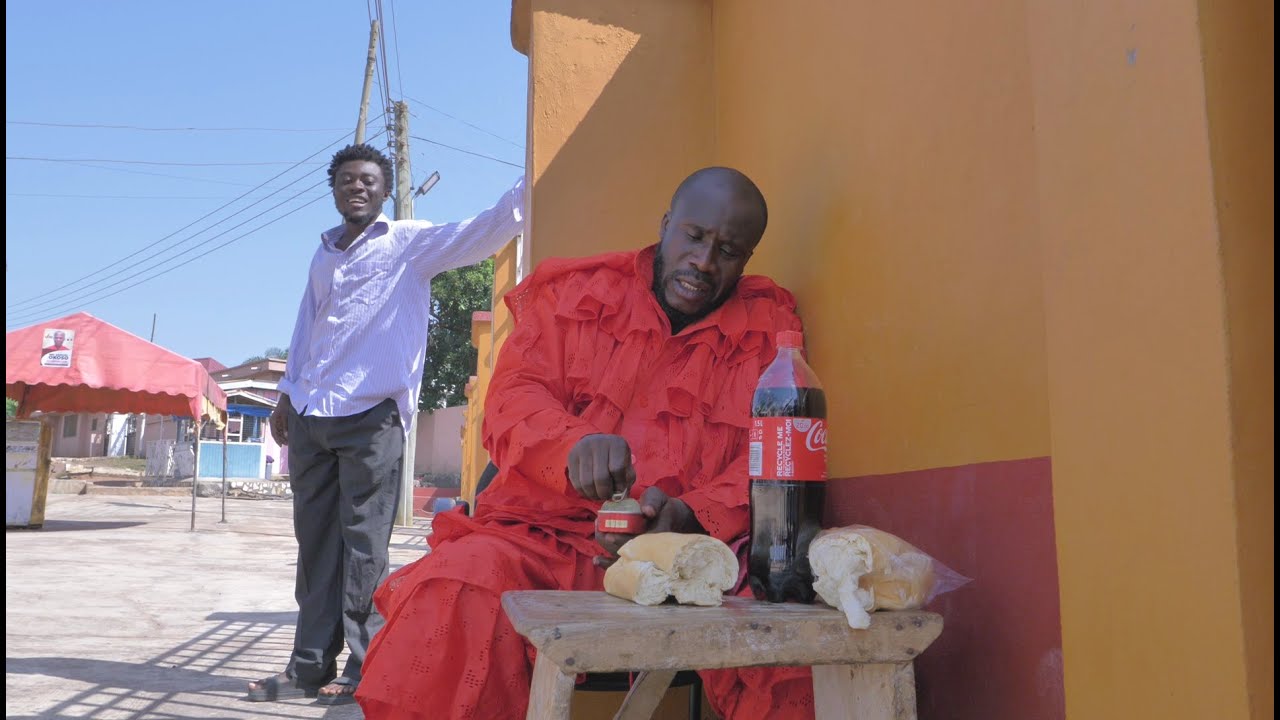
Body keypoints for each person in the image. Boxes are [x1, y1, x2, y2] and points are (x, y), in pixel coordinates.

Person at [356, 167, 815, 720]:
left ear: (746, 260)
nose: (704, 261)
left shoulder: (769, 330)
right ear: (666, 225)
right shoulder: (576, 294)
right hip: (542, 542)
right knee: (454, 587)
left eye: (728, 251)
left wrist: (693, 515)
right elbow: (512, 399)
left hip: (696, 560)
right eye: (694, 236)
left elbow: (770, 459)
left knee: (797, 628)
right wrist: (573, 446)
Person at [246, 143, 524, 706]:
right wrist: (285, 396)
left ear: (385, 190)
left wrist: (533, 181)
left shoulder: (409, 244)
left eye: (368, 181)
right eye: (347, 180)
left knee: (364, 547)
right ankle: (307, 667)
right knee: (315, 547)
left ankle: (362, 669)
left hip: (372, 418)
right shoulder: (324, 254)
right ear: (334, 189)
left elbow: (485, 230)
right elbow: (306, 328)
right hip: (312, 415)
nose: (357, 187)